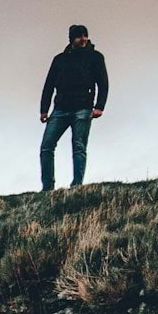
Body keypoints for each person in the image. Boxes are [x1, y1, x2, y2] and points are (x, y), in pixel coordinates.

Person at [38, 25, 108, 190]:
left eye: (85, 36)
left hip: (83, 108)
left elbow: (103, 83)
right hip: (60, 108)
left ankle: (77, 186)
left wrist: (99, 106)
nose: (83, 39)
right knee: (46, 146)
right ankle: (47, 187)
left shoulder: (95, 57)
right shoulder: (60, 60)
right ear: (71, 39)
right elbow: (48, 85)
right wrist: (44, 109)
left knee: (78, 147)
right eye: (79, 36)